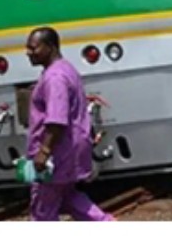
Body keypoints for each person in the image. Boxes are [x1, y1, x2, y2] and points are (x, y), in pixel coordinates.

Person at [24, 26, 113, 221]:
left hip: (56, 155)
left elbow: (56, 119)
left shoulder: (55, 78)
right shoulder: (64, 68)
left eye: (33, 48)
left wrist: (44, 151)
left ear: (50, 47)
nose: (28, 53)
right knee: (68, 197)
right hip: (69, 151)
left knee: (42, 211)